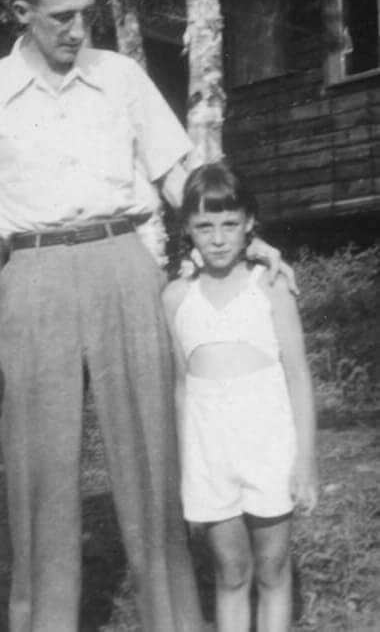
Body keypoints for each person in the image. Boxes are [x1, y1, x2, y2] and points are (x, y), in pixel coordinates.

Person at [0, 0, 293, 632]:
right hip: (34, 277)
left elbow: (180, 176)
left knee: (151, 462)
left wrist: (246, 239)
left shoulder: (122, 76)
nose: (77, 29)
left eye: (86, 13)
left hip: (122, 265)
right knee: (37, 473)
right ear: (21, 12)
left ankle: (176, 622)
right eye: (59, 17)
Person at [162, 163, 318, 632]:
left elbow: (298, 377)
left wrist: (305, 460)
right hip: (211, 455)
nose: (217, 238)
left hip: (268, 448)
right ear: (187, 228)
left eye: (230, 224)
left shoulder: (270, 288)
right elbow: (181, 387)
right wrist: (186, 465)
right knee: (231, 571)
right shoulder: (175, 298)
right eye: (204, 226)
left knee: (272, 567)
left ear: (250, 223)